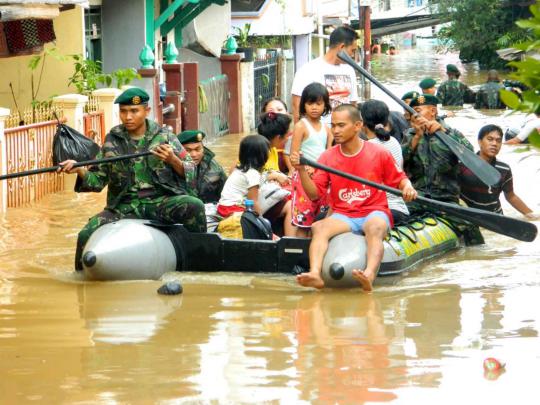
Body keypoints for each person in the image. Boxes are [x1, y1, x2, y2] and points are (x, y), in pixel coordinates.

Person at [59, 87, 207, 270]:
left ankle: (199, 261)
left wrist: (173, 160)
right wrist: (80, 170)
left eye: (134, 111)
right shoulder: (112, 139)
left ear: (146, 111)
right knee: (84, 234)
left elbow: (192, 173)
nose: (128, 117)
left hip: (158, 202)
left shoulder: (165, 136)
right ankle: (82, 277)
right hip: (123, 205)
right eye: (123, 111)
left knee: (195, 205)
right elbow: (98, 181)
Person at [289, 104, 418, 291]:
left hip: (373, 211)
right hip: (344, 214)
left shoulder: (379, 153)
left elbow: (401, 180)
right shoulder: (327, 157)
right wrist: (301, 170)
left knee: (375, 228)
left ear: (358, 126)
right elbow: (314, 194)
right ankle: (315, 273)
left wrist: (409, 188)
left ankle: (369, 274)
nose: (336, 131)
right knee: (319, 227)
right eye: (333, 126)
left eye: (341, 125)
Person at [401, 94, 484, 245]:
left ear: (433, 111)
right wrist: (416, 137)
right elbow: (399, 163)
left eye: (418, 111)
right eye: (412, 112)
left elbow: (470, 156)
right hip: (417, 198)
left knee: (470, 225)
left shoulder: (452, 134)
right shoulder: (409, 135)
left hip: (445, 199)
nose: (414, 116)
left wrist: (444, 133)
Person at [459, 124, 537, 219]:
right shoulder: (463, 164)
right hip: (470, 218)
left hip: (497, 219)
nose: (494, 144)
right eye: (490, 139)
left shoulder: (504, 169)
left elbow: (511, 196)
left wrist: (532, 216)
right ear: (480, 142)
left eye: (498, 141)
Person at [291, 25, 359, 124]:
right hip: (320, 133)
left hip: (345, 132)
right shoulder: (307, 70)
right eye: (352, 51)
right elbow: (297, 106)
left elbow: (353, 103)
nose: (352, 55)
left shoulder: (349, 70)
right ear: (342, 47)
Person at [290, 82, 333, 236]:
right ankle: (300, 255)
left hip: (321, 177)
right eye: (310, 103)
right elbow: (293, 155)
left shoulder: (327, 129)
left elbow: (329, 154)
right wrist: (304, 168)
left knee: (318, 219)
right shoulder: (301, 125)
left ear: (325, 106)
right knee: (304, 221)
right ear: (304, 105)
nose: (314, 107)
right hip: (304, 176)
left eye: (319, 103)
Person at [360, 100, 410, 225]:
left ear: (362, 123)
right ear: (387, 121)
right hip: (399, 207)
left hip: (381, 210)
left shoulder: (365, 148)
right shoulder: (394, 142)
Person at [178, 130, 227, 203]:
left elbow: (227, 193)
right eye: (188, 150)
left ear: (203, 148)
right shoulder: (171, 166)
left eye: (198, 149)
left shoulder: (214, 166)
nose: (194, 155)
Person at [261, 97, 294, 174]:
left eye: (279, 110)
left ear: (287, 114)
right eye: (271, 111)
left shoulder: (297, 137)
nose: (276, 113)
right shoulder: (258, 143)